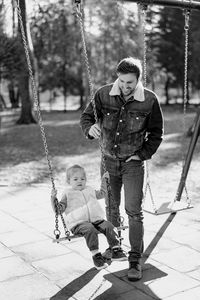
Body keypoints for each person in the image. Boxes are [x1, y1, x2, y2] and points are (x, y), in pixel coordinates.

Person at [80, 57, 163, 281]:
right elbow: (87, 117)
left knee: (133, 211)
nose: (126, 86)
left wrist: (142, 154)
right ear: (117, 77)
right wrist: (90, 129)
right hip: (108, 161)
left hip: (132, 164)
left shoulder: (149, 100)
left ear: (138, 79)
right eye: (122, 81)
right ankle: (115, 248)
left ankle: (135, 258)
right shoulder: (103, 94)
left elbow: (156, 134)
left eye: (130, 82)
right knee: (111, 207)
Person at [51, 164, 127, 270]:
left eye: (82, 179)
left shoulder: (89, 190)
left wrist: (105, 181)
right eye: (75, 179)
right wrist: (53, 198)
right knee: (90, 229)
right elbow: (59, 210)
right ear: (69, 181)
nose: (79, 181)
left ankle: (116, 250)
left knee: (109, 225)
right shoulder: (68, 194)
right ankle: (96, 256)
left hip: (96, 220)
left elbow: (102, 193)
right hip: (78, 223)